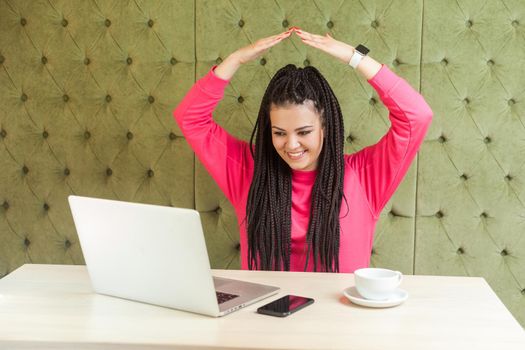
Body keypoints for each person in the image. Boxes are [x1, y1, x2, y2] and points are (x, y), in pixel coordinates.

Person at [174, 28, 432, 273]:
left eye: (304, 132)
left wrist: (355, 57)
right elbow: (190, 118)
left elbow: (416, 116)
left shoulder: (365, 177)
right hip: (265, 316)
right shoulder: (246, 170)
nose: (292, 145)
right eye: (279, 133)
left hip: (339, 317)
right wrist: (236, 59)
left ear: (325, 127)